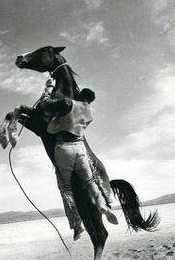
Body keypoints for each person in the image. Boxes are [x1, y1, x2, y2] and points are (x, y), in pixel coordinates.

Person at [40, 79, 118, 240]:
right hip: (80, 148)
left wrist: (49, 87)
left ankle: (77, 223)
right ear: (90, 101)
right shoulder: (91, 113)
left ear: (79, 96)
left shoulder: (68, 103)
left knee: (67, 189)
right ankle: (103, 206)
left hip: (64, 148)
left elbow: (45, 103)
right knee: (90, 182)